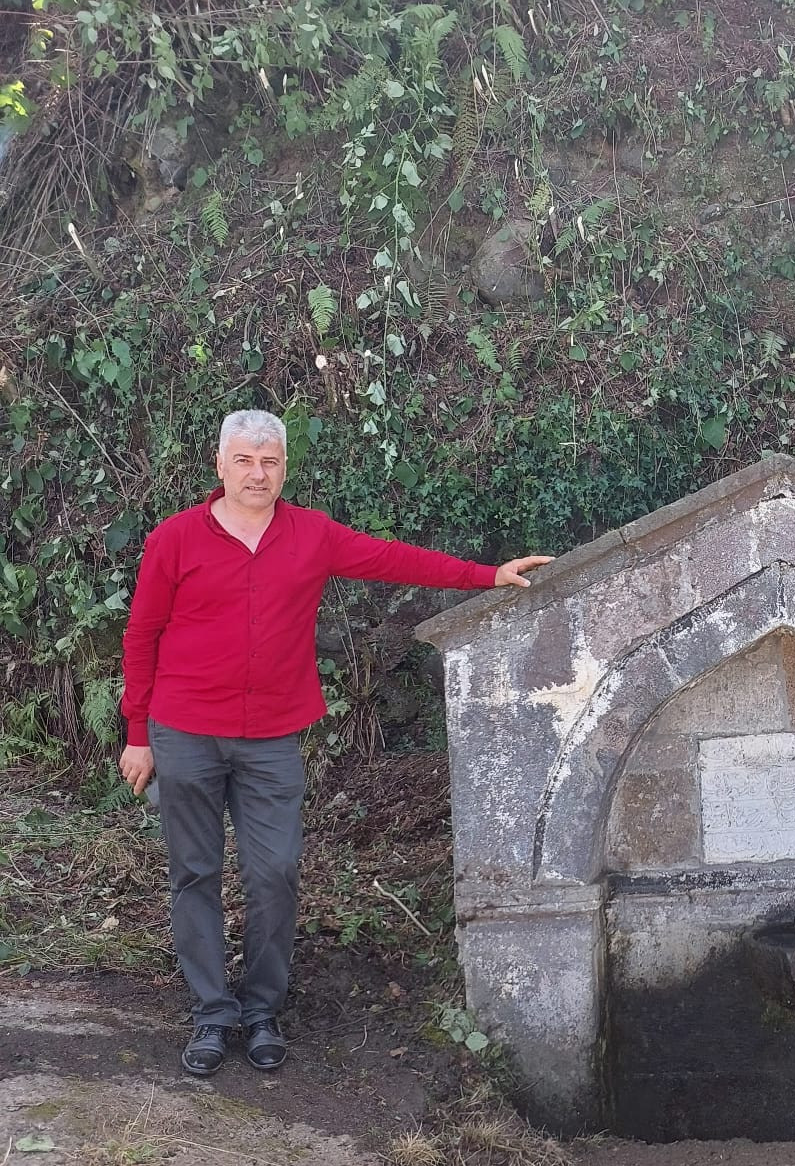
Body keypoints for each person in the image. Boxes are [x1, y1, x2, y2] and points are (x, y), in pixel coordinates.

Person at [118, 409, 551, 1078]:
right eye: (245, 460)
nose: (257, 473)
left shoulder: (311, 534)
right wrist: (137, 734)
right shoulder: (175, 538)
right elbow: (141, 635)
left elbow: (392, 558)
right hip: (185, 731)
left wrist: (485, 576)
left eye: (270, 462)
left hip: (270, 738)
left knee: (275, 873)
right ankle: (211, 1013)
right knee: (195, 873)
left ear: (284, 467)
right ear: (220, 464)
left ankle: (261, 1009)